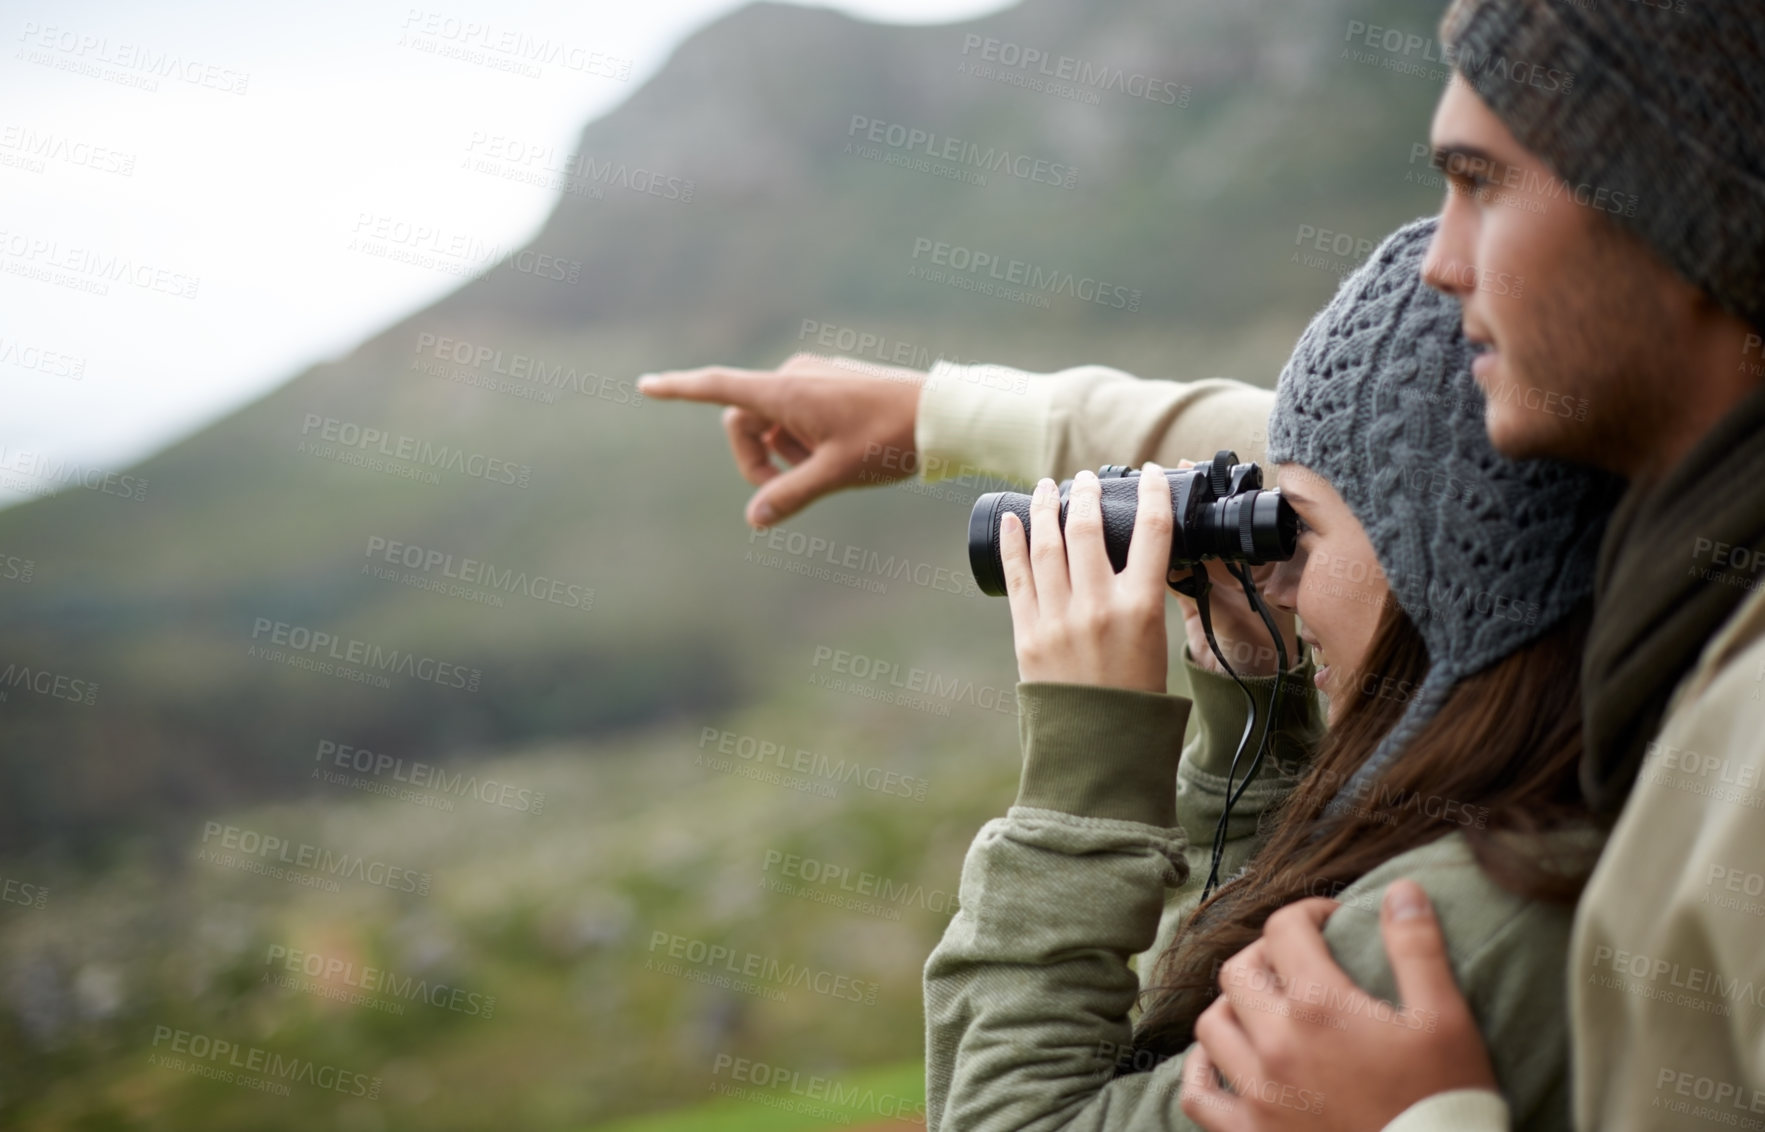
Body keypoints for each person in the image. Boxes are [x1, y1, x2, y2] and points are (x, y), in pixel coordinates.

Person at [1177, 4, 1765, 1131]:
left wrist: (1421, 1122)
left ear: (1684, 212)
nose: (1440, 264)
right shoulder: (1686, 617)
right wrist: (938, 411)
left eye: (1479, 181)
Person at [919, 217, 1617, 1131]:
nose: (1279, 584)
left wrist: (1080, 771)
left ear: (1444, 555)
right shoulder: (1541, 810)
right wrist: (1252, 683)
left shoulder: (1444, 925)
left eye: (1307, 528)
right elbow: (1215, 1003)